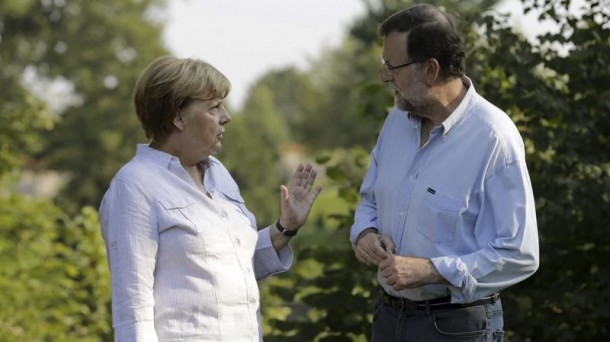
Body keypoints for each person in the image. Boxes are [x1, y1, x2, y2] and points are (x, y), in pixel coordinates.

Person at [350, 4, 539, 341]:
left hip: (458, 327)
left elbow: (518, 255)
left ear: (430, 70)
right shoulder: (395, 121)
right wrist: (365, 234)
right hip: (388, 319)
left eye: (392, 66)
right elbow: (370, 201)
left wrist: (432, 270)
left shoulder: (493, 137)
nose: (384, 76)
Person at [99, 56, 322, 341]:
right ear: (178, 117)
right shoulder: (134, 186)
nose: (226, 116)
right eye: (214, 107)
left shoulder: (219, 175)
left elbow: (232, 267)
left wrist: (284, 228)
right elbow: (133, 309)